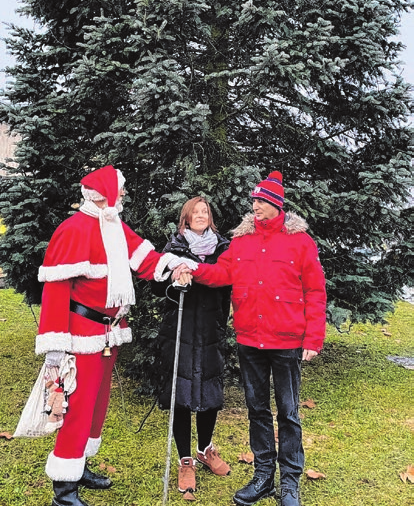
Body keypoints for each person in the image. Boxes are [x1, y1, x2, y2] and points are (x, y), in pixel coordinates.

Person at [35, 165, 196, 506]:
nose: (124, 194)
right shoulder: (73, 229)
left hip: (109, 334)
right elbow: (56, 291)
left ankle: (79, 466)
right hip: (81, 335)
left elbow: (146, 259)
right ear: (106, 193)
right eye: (121, 189)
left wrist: (177, 266)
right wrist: (55, 345)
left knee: (96, 405)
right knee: (77, 406)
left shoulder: (113, 226)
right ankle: (64, 490)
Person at [173, 171, 326, 506]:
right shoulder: (241, 241)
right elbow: (221, 273)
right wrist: (193, 268)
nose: (255, 206)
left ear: (276, 205)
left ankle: (289, 482)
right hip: (250, 340)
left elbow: (315, 291)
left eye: (261, 201)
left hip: (286, 341)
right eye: (254, 201)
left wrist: (313, 338)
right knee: (257, 410)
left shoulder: (300, 242)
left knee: (287, 413)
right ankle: (263, 476)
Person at [151, 196, 231, 498]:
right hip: (180, 332)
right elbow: (156, 284)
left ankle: (205, 450)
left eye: (205, 211)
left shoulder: (223, 248)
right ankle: (185, 459)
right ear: (186, 218)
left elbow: (228, 283)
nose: (200, 215)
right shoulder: (174, 248)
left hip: (210, 330)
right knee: (181, 394)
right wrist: (174, 276)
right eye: (195, 212)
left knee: (210, 394)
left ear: (210, 217)